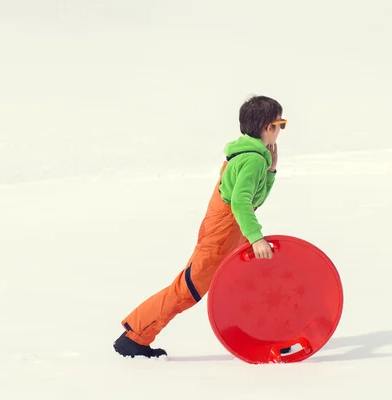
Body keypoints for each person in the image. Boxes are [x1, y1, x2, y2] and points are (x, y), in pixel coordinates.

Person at [113, 95, 287, 358]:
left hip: (231, 231)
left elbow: (253, 199)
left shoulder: (252, 155)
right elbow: (241, 203)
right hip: (222, 236)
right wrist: (256, 237)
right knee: (187, 290)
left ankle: (266, 336)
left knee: (248, 283)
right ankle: (134, 337)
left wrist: (271, 172)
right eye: (280, 124)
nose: (281, 131)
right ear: (267, 127)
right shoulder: (252, 159)